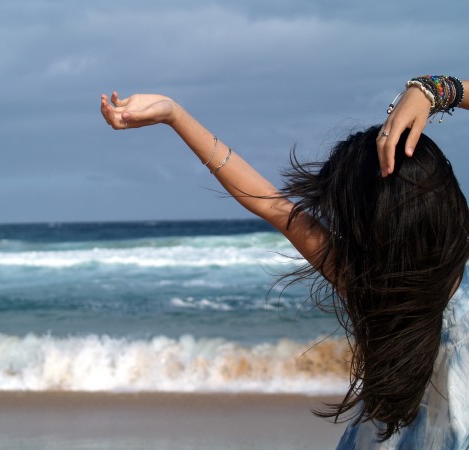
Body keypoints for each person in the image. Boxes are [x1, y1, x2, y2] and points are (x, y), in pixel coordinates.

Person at [100, 75, 469, 449]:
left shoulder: (368, 285)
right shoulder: (371, 283)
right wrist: (437, 91)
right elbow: (268, 202)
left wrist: (174, 114)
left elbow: (269, 203)